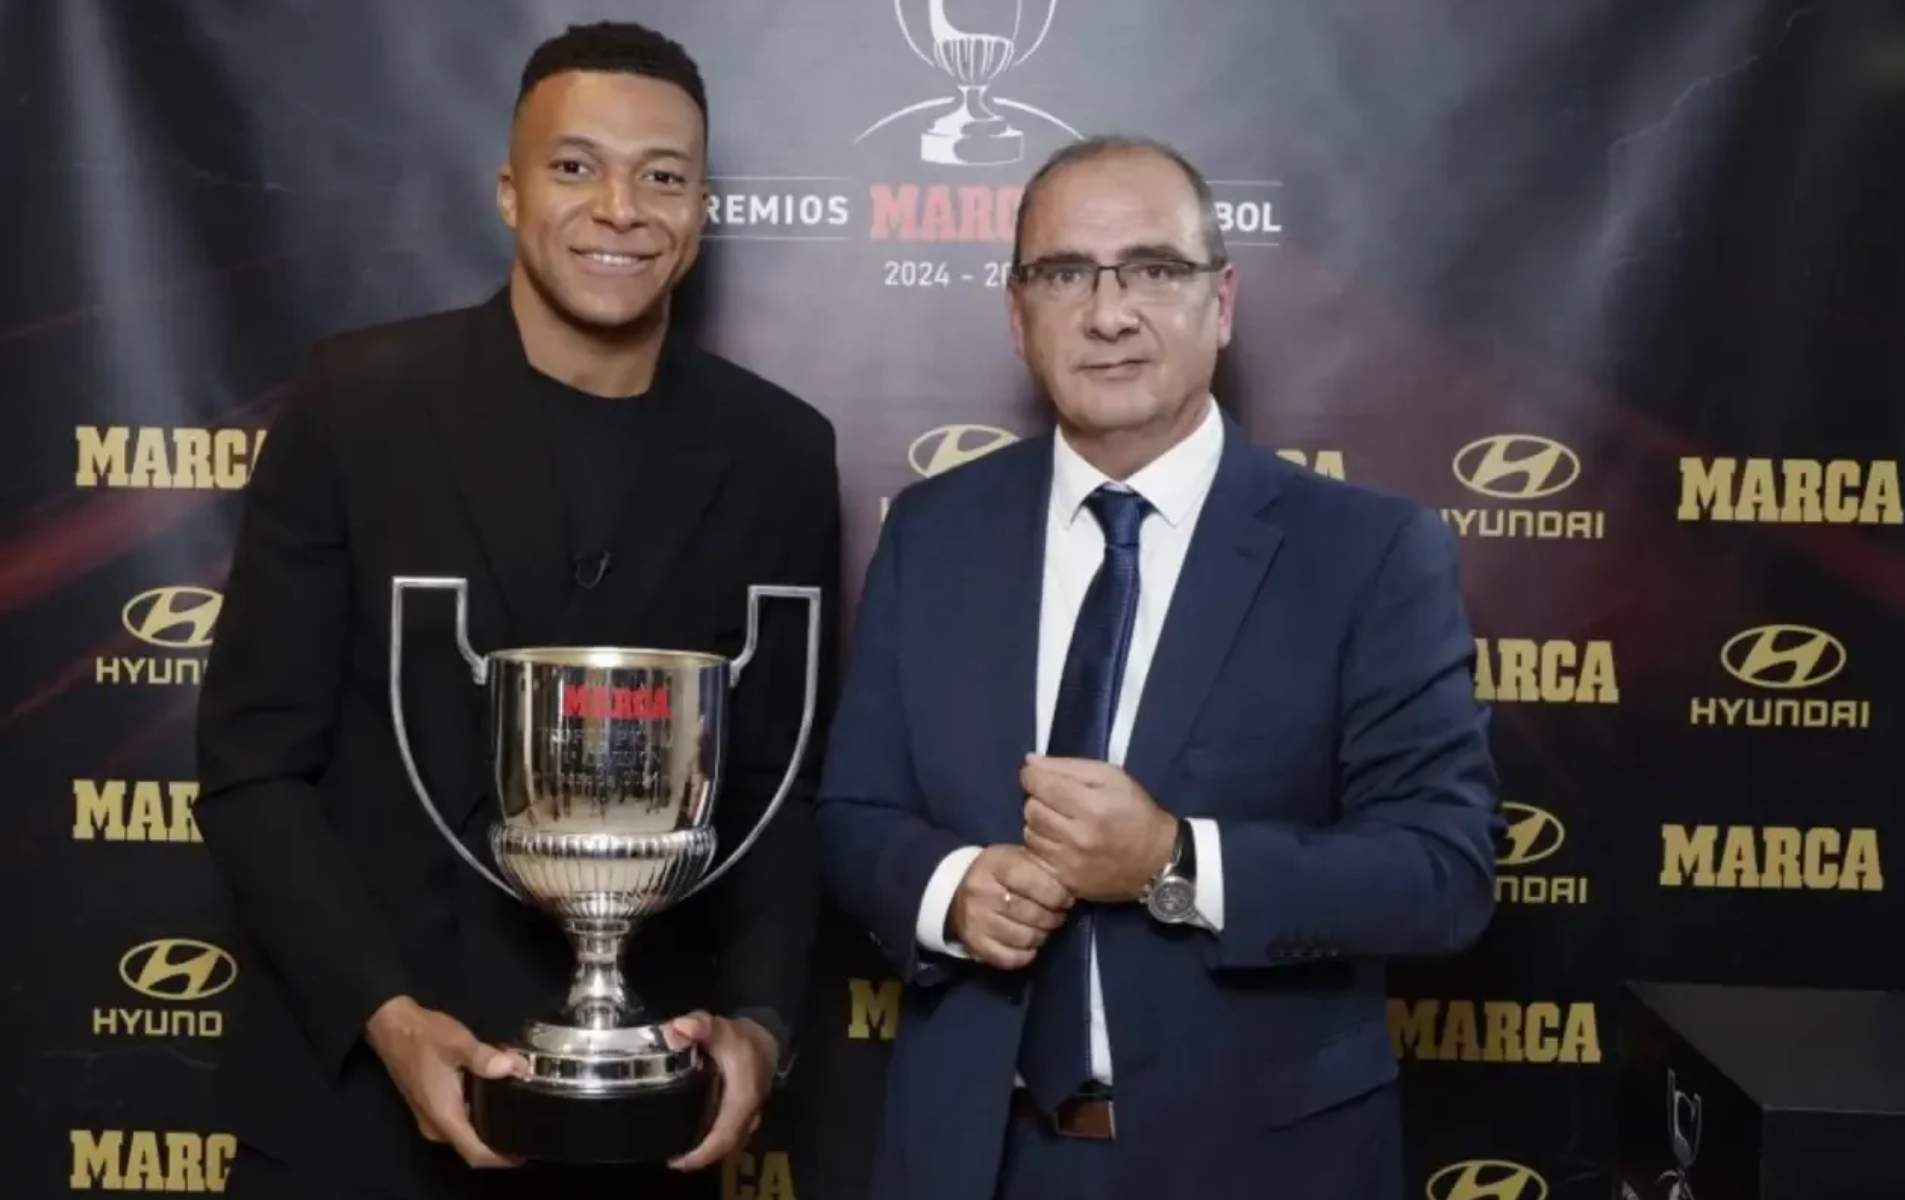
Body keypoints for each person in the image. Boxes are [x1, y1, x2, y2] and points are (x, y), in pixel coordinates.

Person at [196, 22, 835, 1198]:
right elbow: (252, 767)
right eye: (574, 165)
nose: (620, 208)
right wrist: (389, 1021)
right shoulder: (357, 407)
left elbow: (778, 796)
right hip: (359, 1121)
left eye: (663, 175)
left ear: (700, 212)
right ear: (508, 189)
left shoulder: (782, 452)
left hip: (644, 1123)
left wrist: (758, 1025)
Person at [815, 135, 1501, 1199]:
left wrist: (1173, 864)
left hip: (1255, 1166)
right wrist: (948, 890)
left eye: (1152, 269)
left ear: (1220, 302)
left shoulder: (1366, 555)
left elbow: (1441, 873)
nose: (1106, 312)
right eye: (1062, 274)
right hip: (965, 1157)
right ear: (1016, 313)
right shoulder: (932, 533)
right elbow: (854, 812)